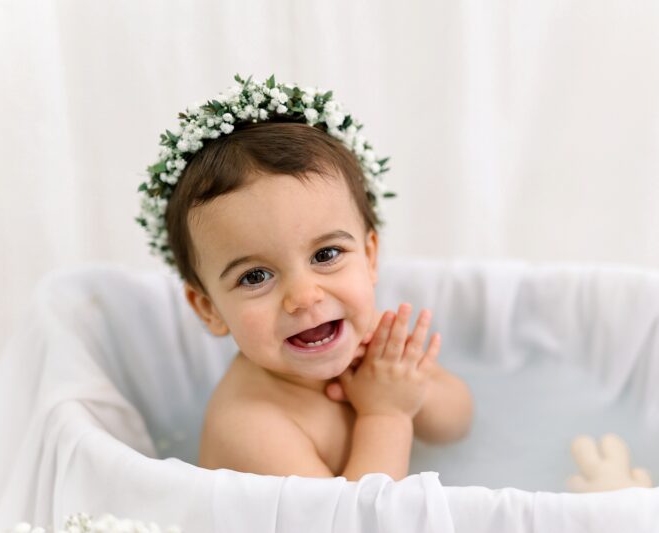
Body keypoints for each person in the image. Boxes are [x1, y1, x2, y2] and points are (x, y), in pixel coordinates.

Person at [136, 75, 473, 481]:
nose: (305, 296)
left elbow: (458, 426)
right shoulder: (252, 426)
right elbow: (361, 525)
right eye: (255, 276)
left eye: (326, 254)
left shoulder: (363, 338)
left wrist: (407, 389)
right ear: (209, 308)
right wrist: (387, 415)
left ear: (368, 256)